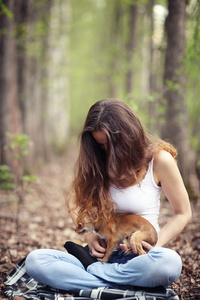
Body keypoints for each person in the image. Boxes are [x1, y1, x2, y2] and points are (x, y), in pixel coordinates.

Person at [25, 98, 192, 291]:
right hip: (102, 256)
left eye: (110, 145)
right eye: (101, 145)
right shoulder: (97, 162)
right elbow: (74, 200)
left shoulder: (159, 160)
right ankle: (115, 282)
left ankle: (92, 279)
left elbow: (183, 212)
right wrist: (88, 235)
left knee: (169, 263)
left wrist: (155, 245)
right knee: (35, 260)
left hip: (141, 258)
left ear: (129, 136)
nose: (106, 151)